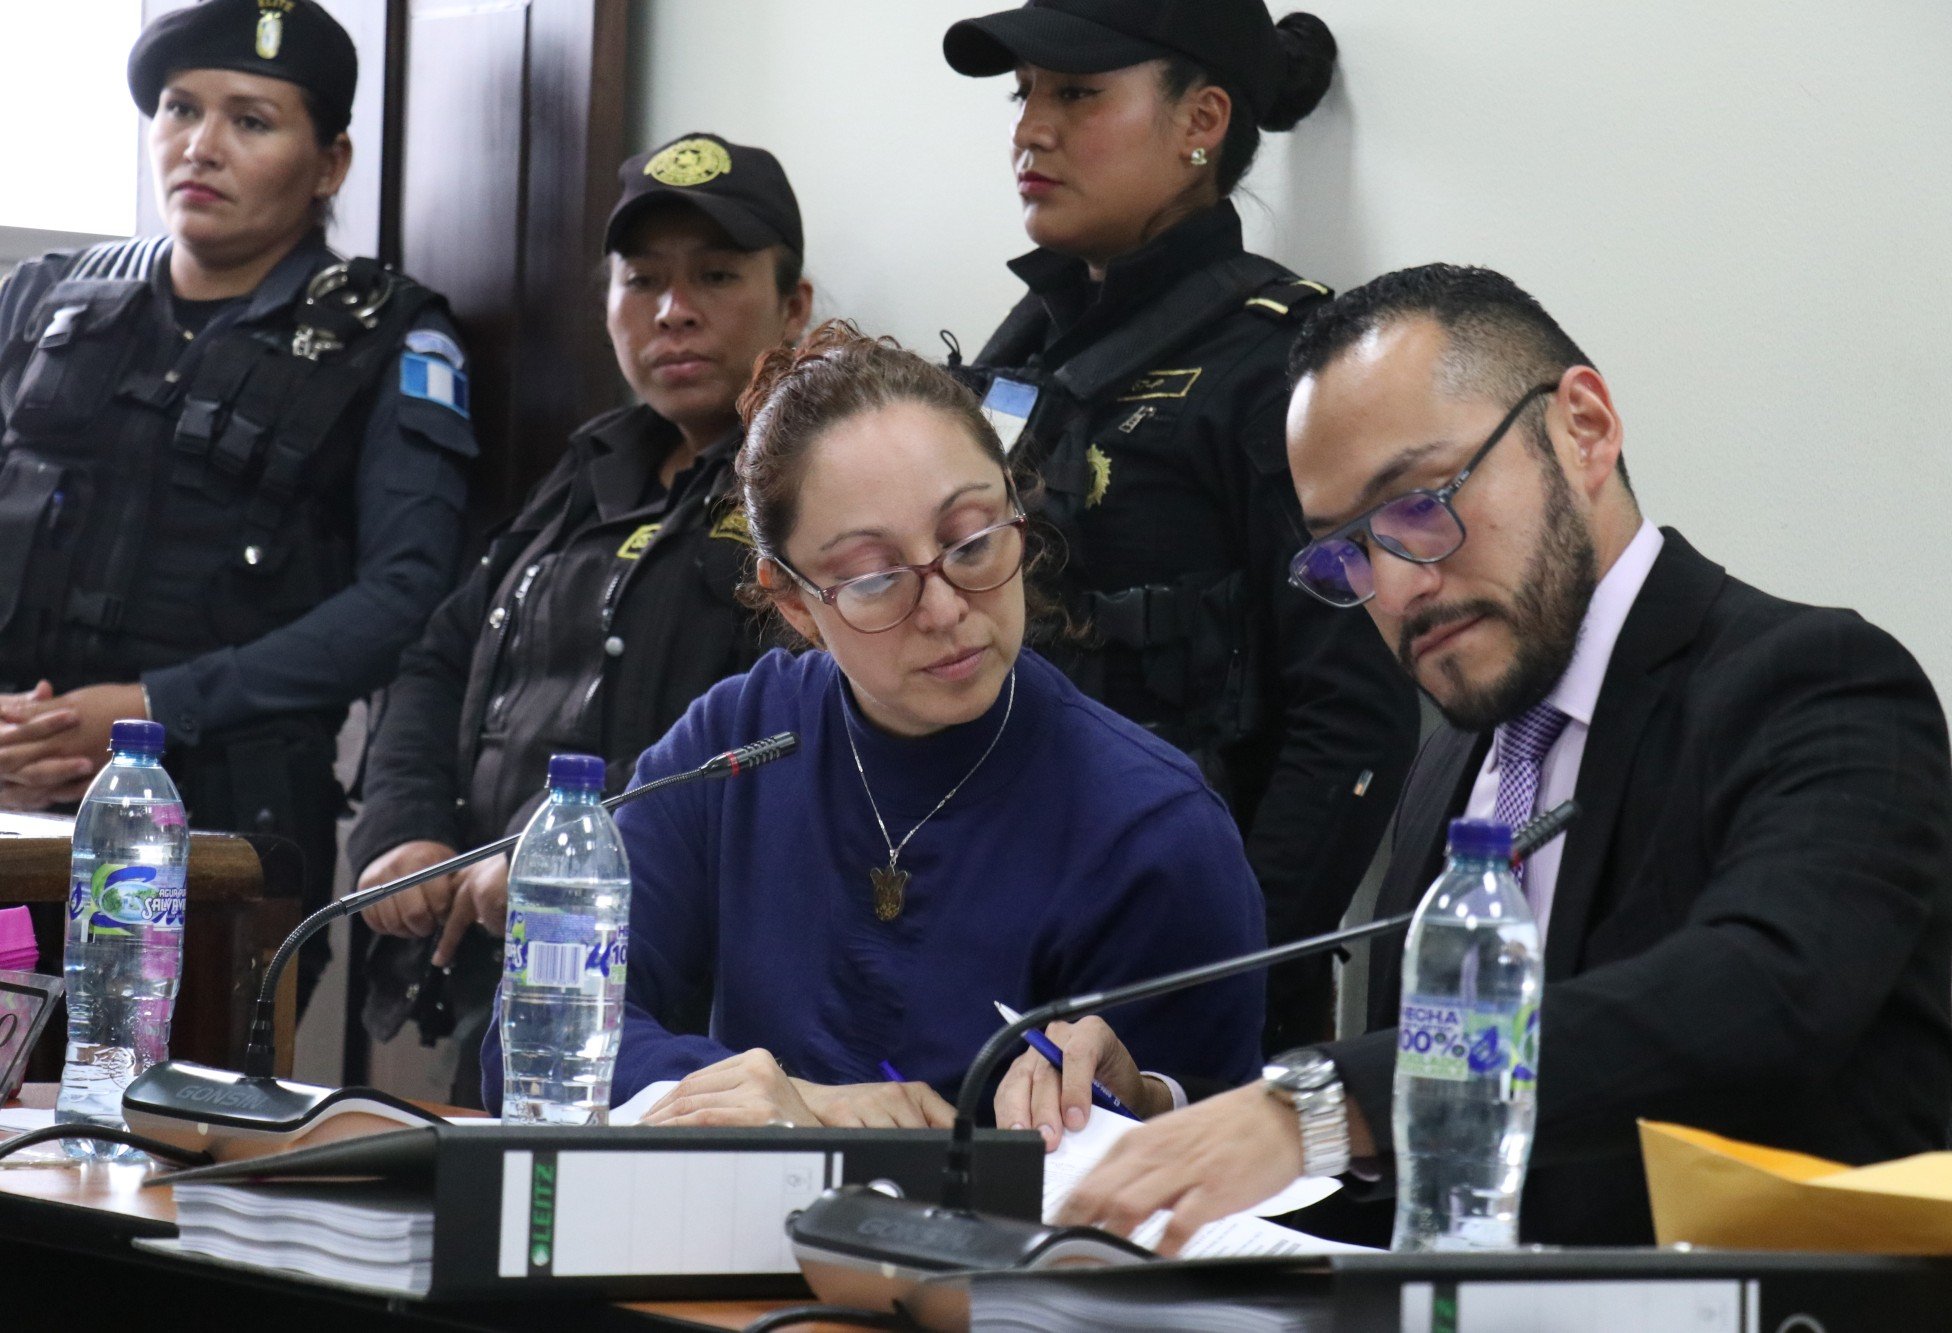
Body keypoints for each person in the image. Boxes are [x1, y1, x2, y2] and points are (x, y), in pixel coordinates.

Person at [1019, 264, 1952, 1248]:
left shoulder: (1817, 685)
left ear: (1582, 429)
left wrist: (1322, 1104)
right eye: (1344, 552)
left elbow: (1765, 993)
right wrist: (1168, 1130)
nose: (1391, 589)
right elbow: (1425, 1180)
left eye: (1420, 502)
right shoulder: (1452, 765)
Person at [477, 323, 1269, 1126]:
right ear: (794, 602)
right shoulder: (735, 744)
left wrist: (1138, 1096)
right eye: (876, 578)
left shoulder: (1152, 826)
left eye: (973, 541)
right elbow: (534, 1034)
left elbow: (1216, 1144)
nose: (947, 608)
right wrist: (791, 1106)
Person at [942, 0, 1418, 1051]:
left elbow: (1353, 718)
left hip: (1183, 998)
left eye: (1075, 93)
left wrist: (1206, 973)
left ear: (1199, 119)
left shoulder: (1285, 364)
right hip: (999, 955)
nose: (1028, 129)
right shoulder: (1023, 345)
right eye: (1023, 94)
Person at [0, 0, 476, 998]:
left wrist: (148, 712)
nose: (199, 146)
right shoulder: (42, 301)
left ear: (330, 162)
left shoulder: (391, 341)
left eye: (250, 121)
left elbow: (406, 595)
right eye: (179, 109)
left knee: (166, 1135)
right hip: (11, 812)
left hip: (217, 844)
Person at [345, 134, 812, 1104]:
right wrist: (405, 829)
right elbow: (441, 653)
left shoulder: (812, 486)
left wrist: (561, 854)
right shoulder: (597, 464)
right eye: (640, 281)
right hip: (487, 958)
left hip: (670, 994)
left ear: (793, 305)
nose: (672, 312)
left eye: (715, 277)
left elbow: (763, 728)